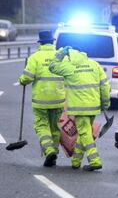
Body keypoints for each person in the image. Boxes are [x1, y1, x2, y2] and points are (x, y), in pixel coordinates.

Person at [49, 47, 110, 171]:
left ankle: (95, 161)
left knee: (85, 133)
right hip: (93, 107)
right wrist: (105, 103)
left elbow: (52, 66)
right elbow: (105, 85)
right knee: (84, 134)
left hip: (80, 108)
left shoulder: (69, 67)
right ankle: (76, 161)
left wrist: (60, 54)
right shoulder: (94, 65)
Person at [18, 31, 65, 167]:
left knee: (41, 125)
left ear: (41, 43)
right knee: (55, 128)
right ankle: (54, 154)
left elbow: (27, 77)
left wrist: (21, 80)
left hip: (41, 100)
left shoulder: (35, 57)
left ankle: (49, 150)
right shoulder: (60, 56)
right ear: (52, 41)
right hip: (58, 99)